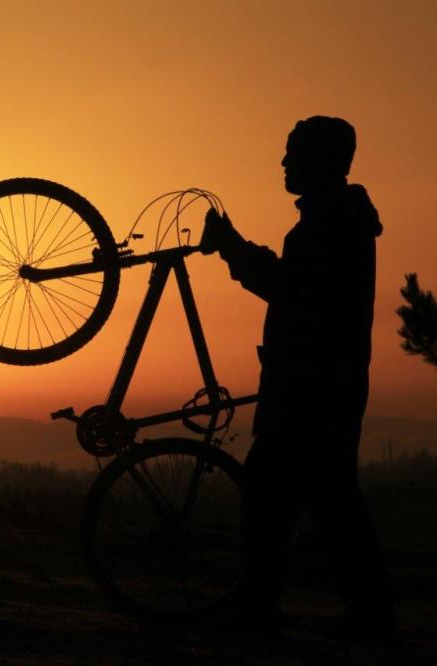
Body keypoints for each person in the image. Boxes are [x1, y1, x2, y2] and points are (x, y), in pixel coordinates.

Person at [201, 116, 396, 643]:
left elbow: (291, 290)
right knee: (324, 502)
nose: (284, 164)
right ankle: (364, 616)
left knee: (278, 496)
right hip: (319, 385)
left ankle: (266, 611)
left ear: (322, 161)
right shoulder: (333, 220)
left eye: (293, 154)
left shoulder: (330, 224)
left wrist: (233, 248)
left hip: (312, 389)